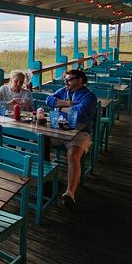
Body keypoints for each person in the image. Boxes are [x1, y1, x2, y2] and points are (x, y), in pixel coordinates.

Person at [45, 68, 97, 210]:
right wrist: (67, 104)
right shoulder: (64, 91)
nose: (66, 82)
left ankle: (70, 192)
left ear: (80, 80)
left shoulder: (89, 96)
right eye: (65, 79)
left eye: (69, 79)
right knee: (41, 143)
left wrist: (59, 108)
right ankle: (46, 181)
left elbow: (79, 114)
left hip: (80, 133)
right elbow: (48, 100)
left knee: (73, 156)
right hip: (59, 130)